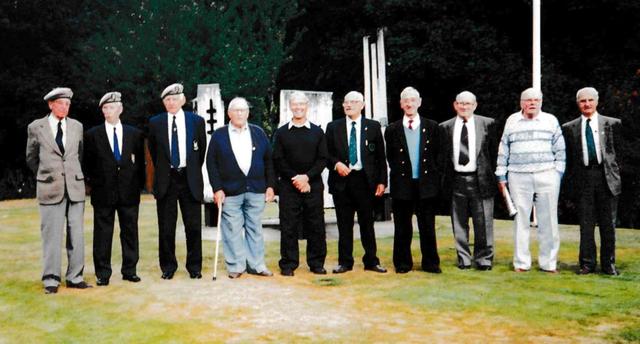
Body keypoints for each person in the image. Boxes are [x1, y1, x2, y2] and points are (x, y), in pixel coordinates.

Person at [26, 87, 92, 294]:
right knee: (52, 236)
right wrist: (47, 175)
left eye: (67, 104)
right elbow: (31, 158)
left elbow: (79, 156)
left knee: (76, 235)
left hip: (75, 188)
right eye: (61, 103)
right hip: (49, 188)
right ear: (50, 104)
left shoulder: (77, 126)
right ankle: (51, 279)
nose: (64, 107)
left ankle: (75, 277)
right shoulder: (36, 127)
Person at [496, 88, 565, 273]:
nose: (532, 103)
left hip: (547, 174)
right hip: (518, 176)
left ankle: (548, 263)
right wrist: (501, 175)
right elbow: (503, 149)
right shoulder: (512, 121)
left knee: (549, 221)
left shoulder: (551, 120)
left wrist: (557, 172)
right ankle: (521, 263)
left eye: (536, 100)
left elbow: (560, 149)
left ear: (541, 102)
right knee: (521, 220)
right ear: (521, 103)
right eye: (528, 100)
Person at [206, 97, 276, 279]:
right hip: (229, 191)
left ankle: (257, 265)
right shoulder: (219, 135)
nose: (239, 113)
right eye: (235, 110)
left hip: (256, 189)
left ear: (248, 113)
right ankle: (236, 266)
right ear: (229, 113)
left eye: (242, 110)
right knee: (232, 229)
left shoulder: (258, 133)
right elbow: (211, 163)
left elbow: (269, 161)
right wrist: (217, 188)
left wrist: (270, 186)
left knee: (255, 229)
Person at [84, 92, 145, 286]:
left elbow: (140, 165)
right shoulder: (93, 135)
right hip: (103, 193)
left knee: (130, 232)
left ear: (120, 109)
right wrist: (95, 185)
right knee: (103, 234)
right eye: (105, 108)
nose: (108, 111)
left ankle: (130, 270)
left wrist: (137, 187)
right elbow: (87, 164)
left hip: (129, 193)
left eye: (112, 107)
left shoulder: (134, 134)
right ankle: (103, 273)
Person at [147, 83, 207, 280]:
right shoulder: (155, 123)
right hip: (167, 180)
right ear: (163, 102)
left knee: (193, 226)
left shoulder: (196, 121)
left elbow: (200, 152)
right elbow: (155, 153)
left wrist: (188, 169)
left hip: (189, 178)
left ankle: (195, 267)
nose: (171, 102)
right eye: (167, 100)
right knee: (166, 227)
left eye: (174, 98)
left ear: (182, 100)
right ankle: (168, 267)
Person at [325, 91, 387, 274]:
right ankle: (345, 262)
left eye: (353, 102)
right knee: (344, 224)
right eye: (346, 102)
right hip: (342, 181)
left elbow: (380, 158)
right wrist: (336, 164)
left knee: (367, 223)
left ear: (362, 105)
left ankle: (371, 261)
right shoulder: (333, 127)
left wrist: (382, 182)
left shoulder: (373, 127)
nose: (348, 105)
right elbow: (325, 154)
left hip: (365, 181)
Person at [562, 87, 621, 275]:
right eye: (582, 101)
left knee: (608, 225)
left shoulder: (612, 124)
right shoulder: (569, 128)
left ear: (597, 101)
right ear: (577, 103)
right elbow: (570, 159)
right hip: (584, 179)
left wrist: (617, 177)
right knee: (586, 225)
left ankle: (608, 264)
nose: (586, 104)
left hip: (606, 178)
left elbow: (620, 155)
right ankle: (587, 264)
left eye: (590, 100)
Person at [384, 87, 442, 274]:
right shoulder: (392, 129)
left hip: (426, 185)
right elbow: (391, 157)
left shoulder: (433, 127)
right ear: (401, 104)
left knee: (427, 226)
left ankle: (431, 264)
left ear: (419, 102)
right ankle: (402, 264)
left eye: (413, 100)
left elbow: (438, 156)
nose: (409, 103)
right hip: (402, 185)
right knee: (402, 227)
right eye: (405, 100)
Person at [439, 91, 497, 270]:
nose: (464, 107)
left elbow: (494, 153)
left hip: (481, 179)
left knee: (484, 222)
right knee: (459, 221)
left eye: (468, 104)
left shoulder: (487, 124)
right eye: (461, 103)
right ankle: (463, 258)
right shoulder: (445, 127)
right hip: (456, 179)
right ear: (455, 105)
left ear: (475, 105)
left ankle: (484, 259)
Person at [273, 91, 328, 276]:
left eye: (301, 105)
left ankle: (316, 263)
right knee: (288, 226)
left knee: (316, 224)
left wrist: (306, 177)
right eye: (295, 105)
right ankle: (288, 264)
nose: (298, 108)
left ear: (307, 107)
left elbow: (322, 159)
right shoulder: (281, 133)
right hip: (289, 186)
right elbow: (278, 160)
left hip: (312, 185)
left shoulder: (317, 131)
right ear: (290, 107)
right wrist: (296, 178)